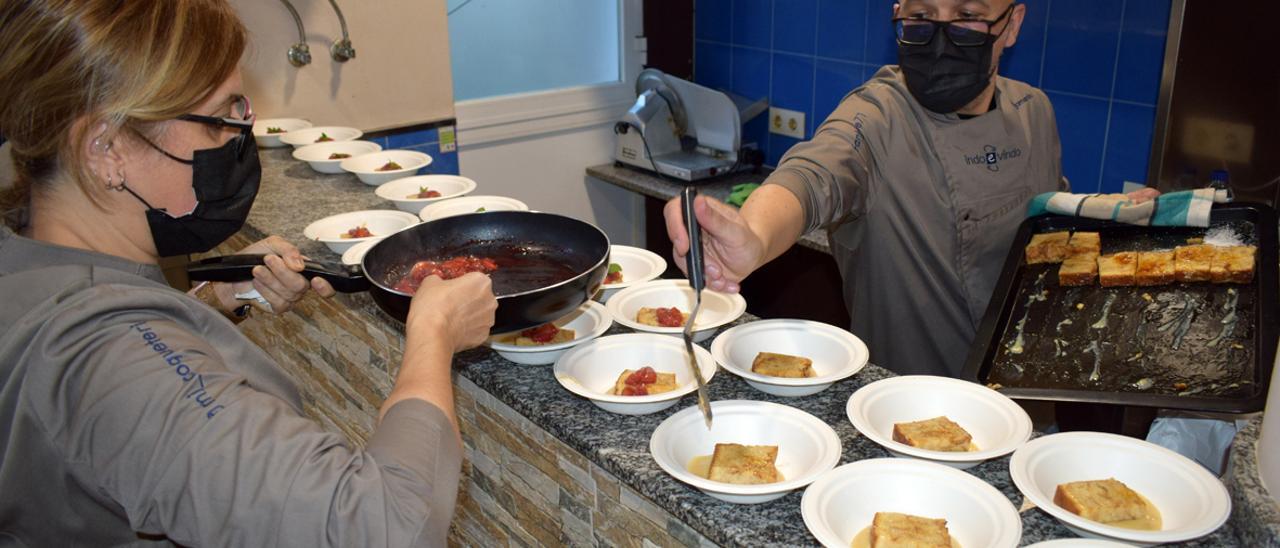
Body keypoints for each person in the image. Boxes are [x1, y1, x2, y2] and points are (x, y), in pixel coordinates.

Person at [0, 1, 496, 545]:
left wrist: (208, 303)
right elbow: (385, 525)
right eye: (218, 120)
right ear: (106, 149)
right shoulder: (111, 360)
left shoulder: (30, 258)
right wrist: (433, 334)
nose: (237, 140)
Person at [665, 0, 1157, 377]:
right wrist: (753, 231)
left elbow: (1044, 223)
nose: (941, 39)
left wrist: (1102, 215)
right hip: (909, 417)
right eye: (921, 15)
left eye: (967, 16)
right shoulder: (879, 115)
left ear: (1011, 24)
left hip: (1025, 393)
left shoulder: (1034, 111)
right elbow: (814, 174)